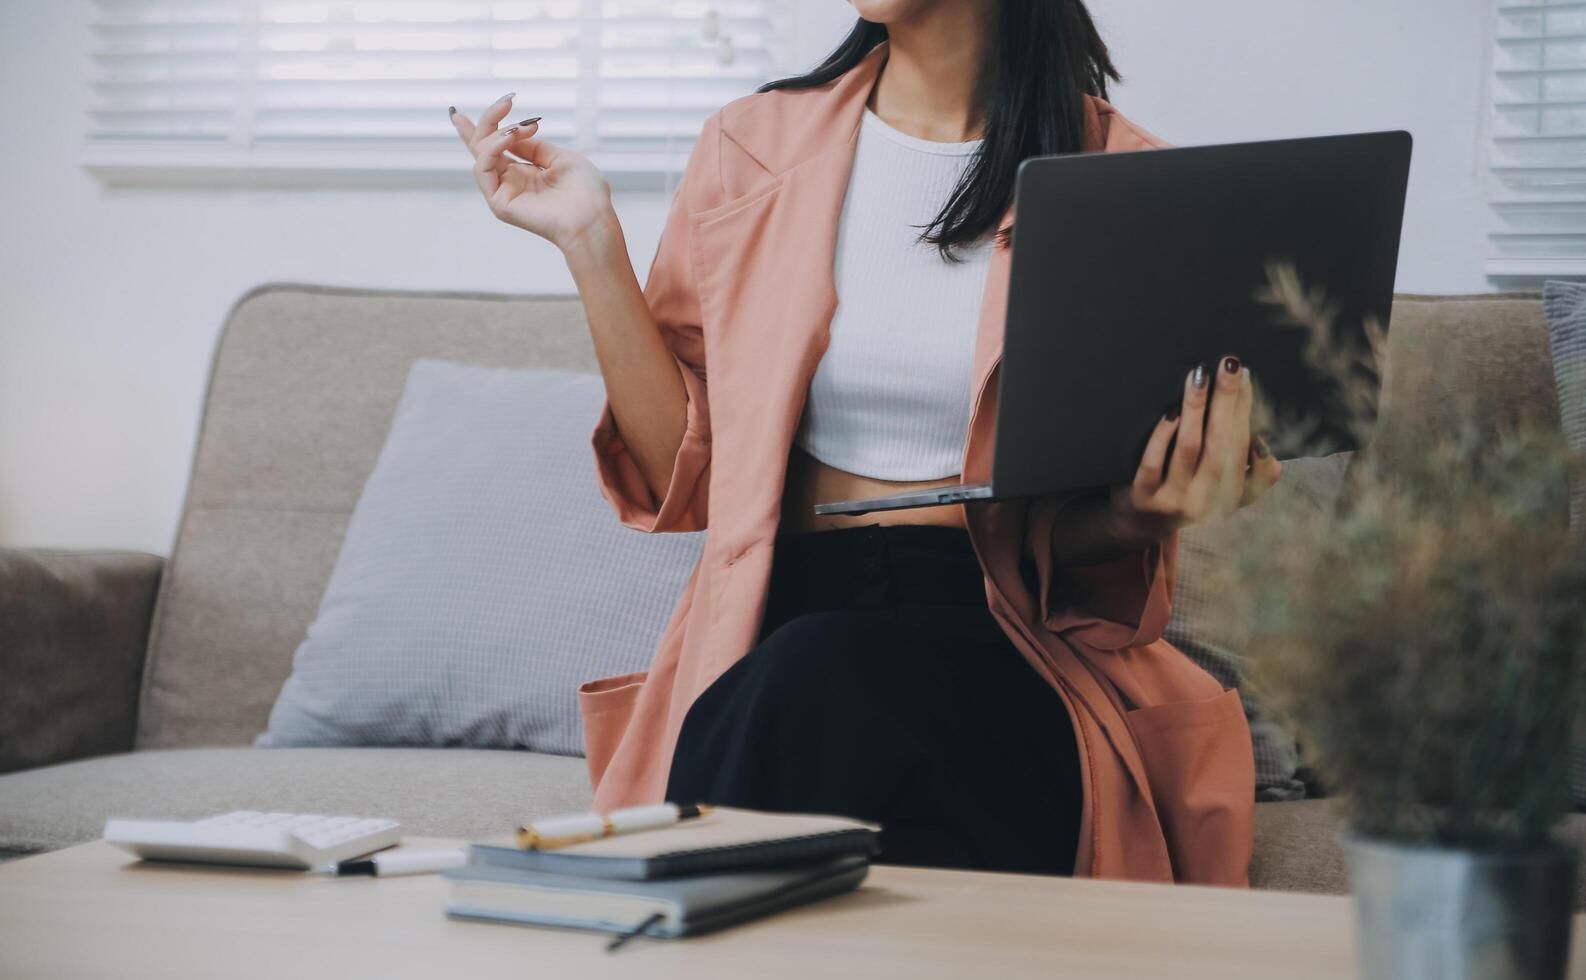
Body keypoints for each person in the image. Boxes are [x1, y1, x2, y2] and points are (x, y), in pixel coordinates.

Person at [450, 0, 1282, 883]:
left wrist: (1142, 514)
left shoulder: (1127, 182)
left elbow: (1073, 558)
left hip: (1005, 653)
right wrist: (589, 243)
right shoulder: (752, 146)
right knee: (819, 706)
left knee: (816, 690)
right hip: (779, 629)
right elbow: (679, 481)